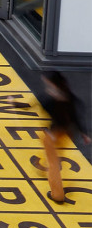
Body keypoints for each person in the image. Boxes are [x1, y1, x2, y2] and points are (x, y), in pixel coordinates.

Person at [39, 71, 82, 204]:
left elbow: (44, 107)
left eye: (48, 84)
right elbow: (76, 115)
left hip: (53, 135)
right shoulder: (70, 96)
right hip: (67, 133)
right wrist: (84, 132)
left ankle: (57, 194)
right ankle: (40, 164)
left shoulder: (54, 100)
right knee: (56, 157)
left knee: (53, 165)